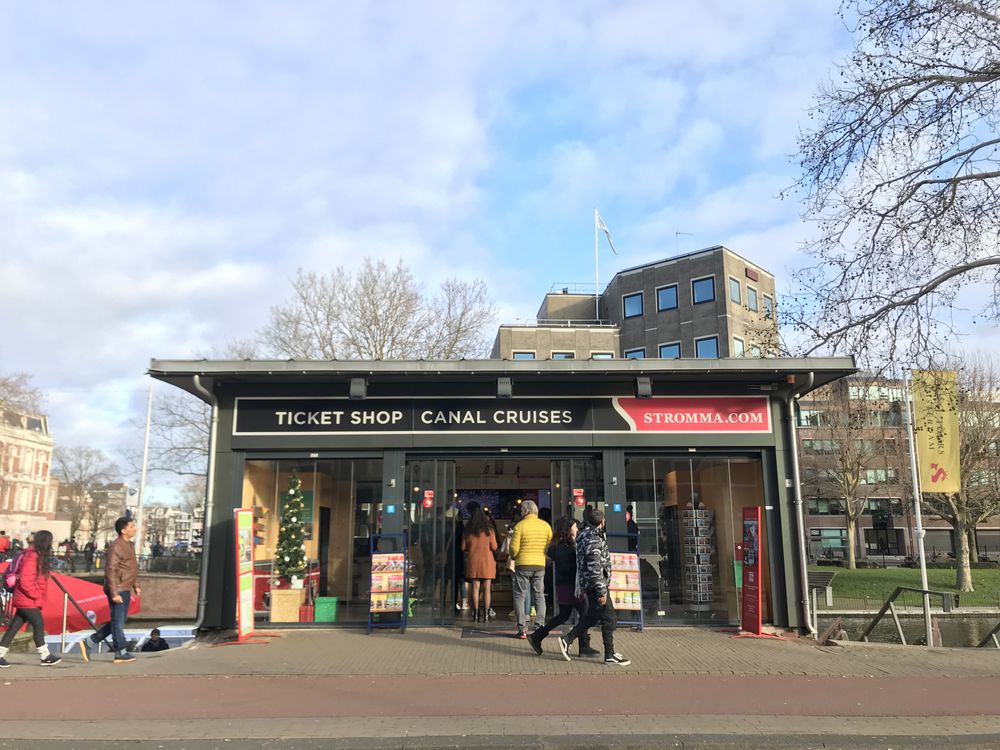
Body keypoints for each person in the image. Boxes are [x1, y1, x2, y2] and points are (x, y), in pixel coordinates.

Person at [557, 509, 631, 666]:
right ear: (602, 522)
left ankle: (568, 639)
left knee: (594, 616)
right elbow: (594, 567)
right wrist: (601, 590)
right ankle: (609, 654)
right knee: (609, 617)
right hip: (596, 585)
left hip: (593, 585)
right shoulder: (594, 539)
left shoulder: (585, 535)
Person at [527, 517, 599, 658]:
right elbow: (566, 567)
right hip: (570, 585)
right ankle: (582, 646)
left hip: (566, 585)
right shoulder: (563, 547)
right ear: (567, 529)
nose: (577, 529)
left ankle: (538, 636)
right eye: (574, 526)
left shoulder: (563, 545)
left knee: (564, 615)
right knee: (585, 614)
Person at [79, 517, 141, 664]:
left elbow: (130, 567)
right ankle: (120, 651)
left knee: (118, 620)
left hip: (125, 587)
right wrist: (114, 593)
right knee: (118, 622)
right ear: (123, 530)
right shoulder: (117, 546)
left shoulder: (129, 545)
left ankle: (90, 641)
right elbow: (111, 570)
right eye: (132, 526)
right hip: (118, 588)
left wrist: (135, 584)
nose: (135, 529)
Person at [0, 529, 62, 667]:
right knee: (38, 624)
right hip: (27, 598)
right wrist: (37, 596)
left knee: (14, 628)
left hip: (24, 598)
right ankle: (45, 655)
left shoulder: (33, 554)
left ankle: (0, 654)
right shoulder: (33, 556)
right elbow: (25, 581)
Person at [509, 499, 552, 639]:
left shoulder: (520, 526)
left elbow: (513, 548)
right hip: (540, 565)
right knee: (539, 595)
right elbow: (549, 546)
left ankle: (522, 629)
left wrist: (514, 556)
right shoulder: (546, 526)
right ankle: (539, 626)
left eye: (522, 510)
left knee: (519, 596)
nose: (521, 512)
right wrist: (543, 557)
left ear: (526, 511)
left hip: (523, 565)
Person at [461, 508, 498, 622]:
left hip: (473, 562)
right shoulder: (489, 530)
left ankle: (476, 614)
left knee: (475, 589)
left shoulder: (468, 531)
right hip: (487, 562)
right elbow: (494, 547)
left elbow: (463, 548)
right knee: (487, 589)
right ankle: (486, 615)